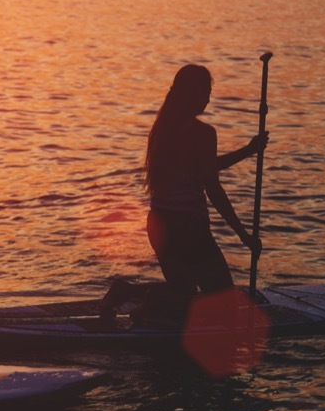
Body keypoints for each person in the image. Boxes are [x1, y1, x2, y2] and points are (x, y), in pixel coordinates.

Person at [109, 64, 266, 321]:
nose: (208, 98)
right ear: (191, 94)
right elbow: (212, 187)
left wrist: (248, 151)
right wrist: (244, 236)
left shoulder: (163, 129)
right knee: (226, 304)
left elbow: (201, 167)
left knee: (183, 290)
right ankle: (149, 303)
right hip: (188, 228)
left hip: (159, 224)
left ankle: (126, 292)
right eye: (205, 91)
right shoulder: (203, 133)